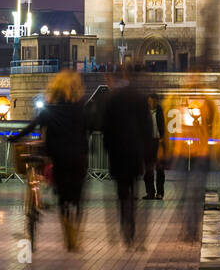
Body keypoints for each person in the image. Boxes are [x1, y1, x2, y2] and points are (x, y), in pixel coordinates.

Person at [18, 70, 90, 251]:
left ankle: (67, 226)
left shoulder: (51, 108)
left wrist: (13, 138)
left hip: (58, 157)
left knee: (62, 195)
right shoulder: (82, 108)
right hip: (79, 156)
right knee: (78, 196)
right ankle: (76, 229)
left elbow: (32, 126)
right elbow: (91, 126)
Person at [102, 64, 153, 248]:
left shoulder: (112, 98)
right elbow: (147, 128)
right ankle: (132, 226)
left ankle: (125, 224)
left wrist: (107, 148)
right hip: (135, 152)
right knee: (133, 187)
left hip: (117, 152)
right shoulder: (140, 98)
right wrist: (149, 155)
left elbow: (105, 127)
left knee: (121, 191)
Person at [164, 79, 220, 241]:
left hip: (199, 156)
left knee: (194, 193)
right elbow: (170, 127)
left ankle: (192, 227)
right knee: (184, 194)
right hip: (181, 154)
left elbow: (214, 123)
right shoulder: (177, 105)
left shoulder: (205, 106)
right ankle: (188, 225)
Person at [144, 93, 168, 200]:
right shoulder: (144, 112)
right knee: (148, 169)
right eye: (149, 101)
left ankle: (160, 193)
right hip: (148, 142)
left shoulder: (160, 111)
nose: (151, 103)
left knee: (159, 169)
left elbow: (163, 125)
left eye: (153, 101)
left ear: (156, 101)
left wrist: (162, 138)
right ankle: (150, 192)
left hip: (159, 142)